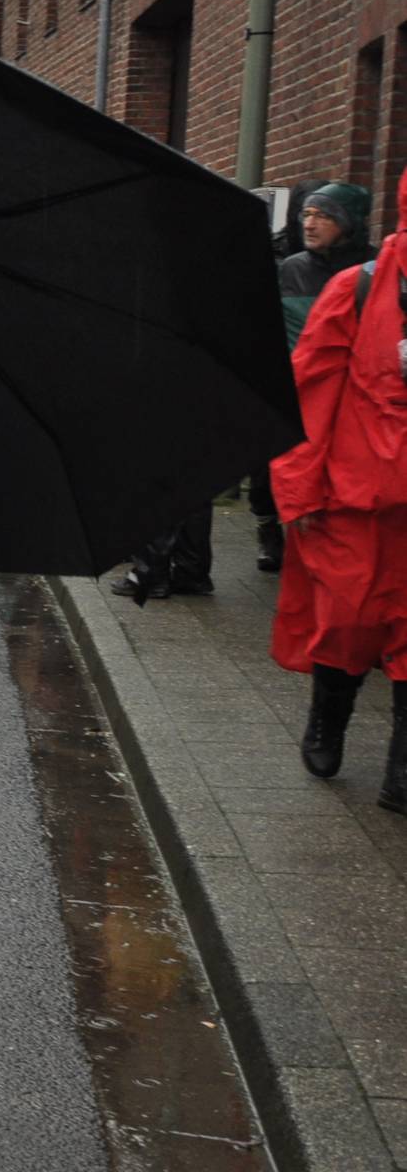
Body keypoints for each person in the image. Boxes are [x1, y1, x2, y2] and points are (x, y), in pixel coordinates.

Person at [271, 169, 407, 814]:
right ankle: (328, 721)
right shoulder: (356, 290)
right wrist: (299, 493)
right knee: (348, 622)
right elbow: (310, 395)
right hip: (355, 502)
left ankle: (401, 770)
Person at [255, 182, 375, 572]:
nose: (310, 223)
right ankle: (269, 526)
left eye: (323, 216)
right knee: (270, 467)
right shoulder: (291, 269)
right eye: (307, 214)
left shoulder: (371, 273)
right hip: (291, 385)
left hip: (347, 392)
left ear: (349, 223)